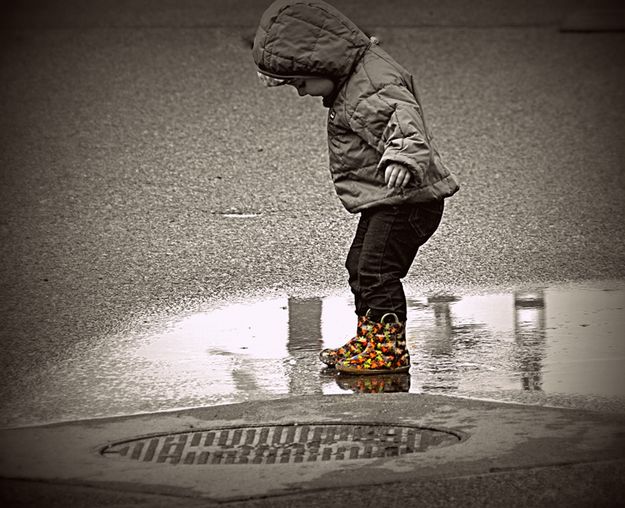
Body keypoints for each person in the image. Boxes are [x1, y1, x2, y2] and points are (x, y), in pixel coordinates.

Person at [253, 0, 459, 375]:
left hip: (408, 198)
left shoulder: (371, 84)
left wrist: (402, 156)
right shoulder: (354, 73)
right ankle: (371, 338)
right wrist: (278, 71)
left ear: (321, 64)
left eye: (299, 82)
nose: (301, 93)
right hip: (389, 198)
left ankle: (389, 349)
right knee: (360, 267)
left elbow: (403, 117)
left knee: (377, 272)